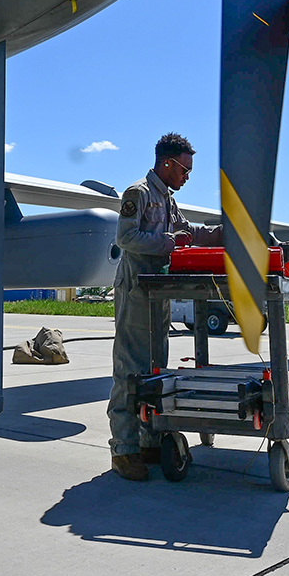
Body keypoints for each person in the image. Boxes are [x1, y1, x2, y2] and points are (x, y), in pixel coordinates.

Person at [109, 132, 222, 481]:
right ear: (167, 163)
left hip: (157, 291)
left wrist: (224, 232)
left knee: (155, 367)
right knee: (131, 368)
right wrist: (168, 242)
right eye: (185, 169)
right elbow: (125, 238)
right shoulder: (139, 193)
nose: (187, 176)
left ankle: (148, 441)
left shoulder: (168, 200)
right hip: (136, 288)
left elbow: (189, 232)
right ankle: (124, 450)